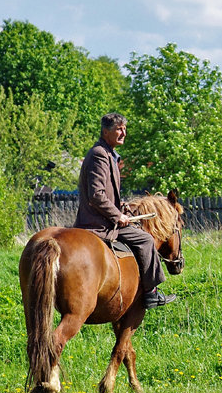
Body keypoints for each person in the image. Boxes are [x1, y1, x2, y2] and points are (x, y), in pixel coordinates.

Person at [74, 113, 176, 308]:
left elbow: (105, 195)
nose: (123, 133)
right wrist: (117, 215)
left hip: (104, 218)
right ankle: (151, 292)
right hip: (100, 223)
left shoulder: (108, 154)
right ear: (105, 131)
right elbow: (96, 195)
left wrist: (123, 208)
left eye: (124, 129)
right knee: (146, 239)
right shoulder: (99, 155)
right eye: (119, 129)